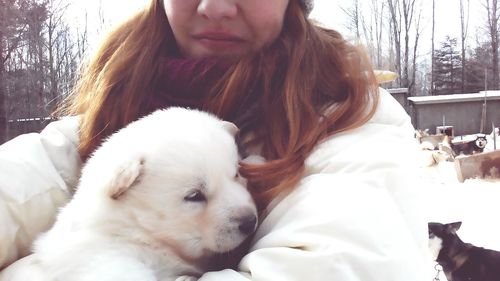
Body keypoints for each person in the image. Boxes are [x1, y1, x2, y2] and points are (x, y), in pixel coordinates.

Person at [0, 0, 431, 279]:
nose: (216, 6)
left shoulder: (348, 121)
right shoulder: (113, 108)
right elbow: (25, 183)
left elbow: (344, 261)